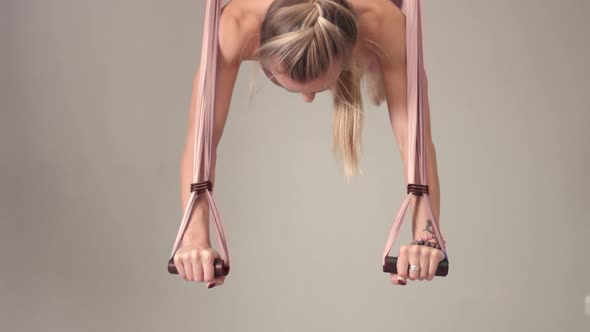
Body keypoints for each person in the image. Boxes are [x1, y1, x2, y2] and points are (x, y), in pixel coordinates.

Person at [173, 0, 446, 288]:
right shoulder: (238, 25)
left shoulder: (380, 23)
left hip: (371, 37)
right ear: (260, 47)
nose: (308, 100)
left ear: (350, 51)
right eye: (284, 83)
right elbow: (201, 136)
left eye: (321, 86)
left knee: (391, 69)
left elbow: (414, 138)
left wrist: (425, 236)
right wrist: (194, 237)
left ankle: (379, 66)